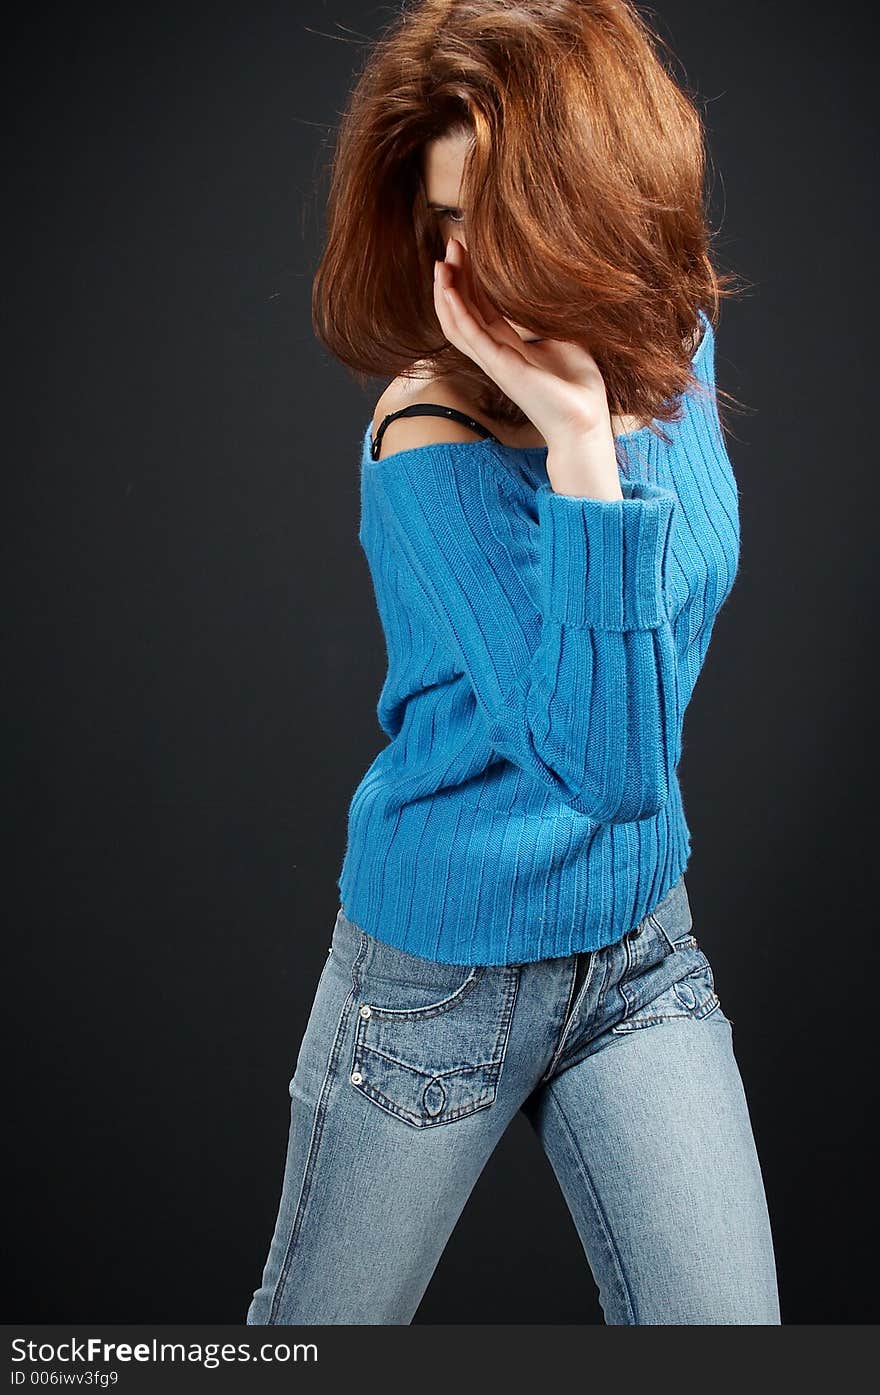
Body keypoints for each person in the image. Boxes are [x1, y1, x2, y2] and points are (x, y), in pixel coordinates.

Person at [246, 0, 781, 1325]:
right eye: (445, 221)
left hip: (640, 945)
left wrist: (596, 419)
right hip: (439, 983)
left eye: (503, 216)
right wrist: (583, 453)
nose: (467, 262)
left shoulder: (673, 343)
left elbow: (669, 626)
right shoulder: (426, 437)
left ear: (597, 206)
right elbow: (608, 765)